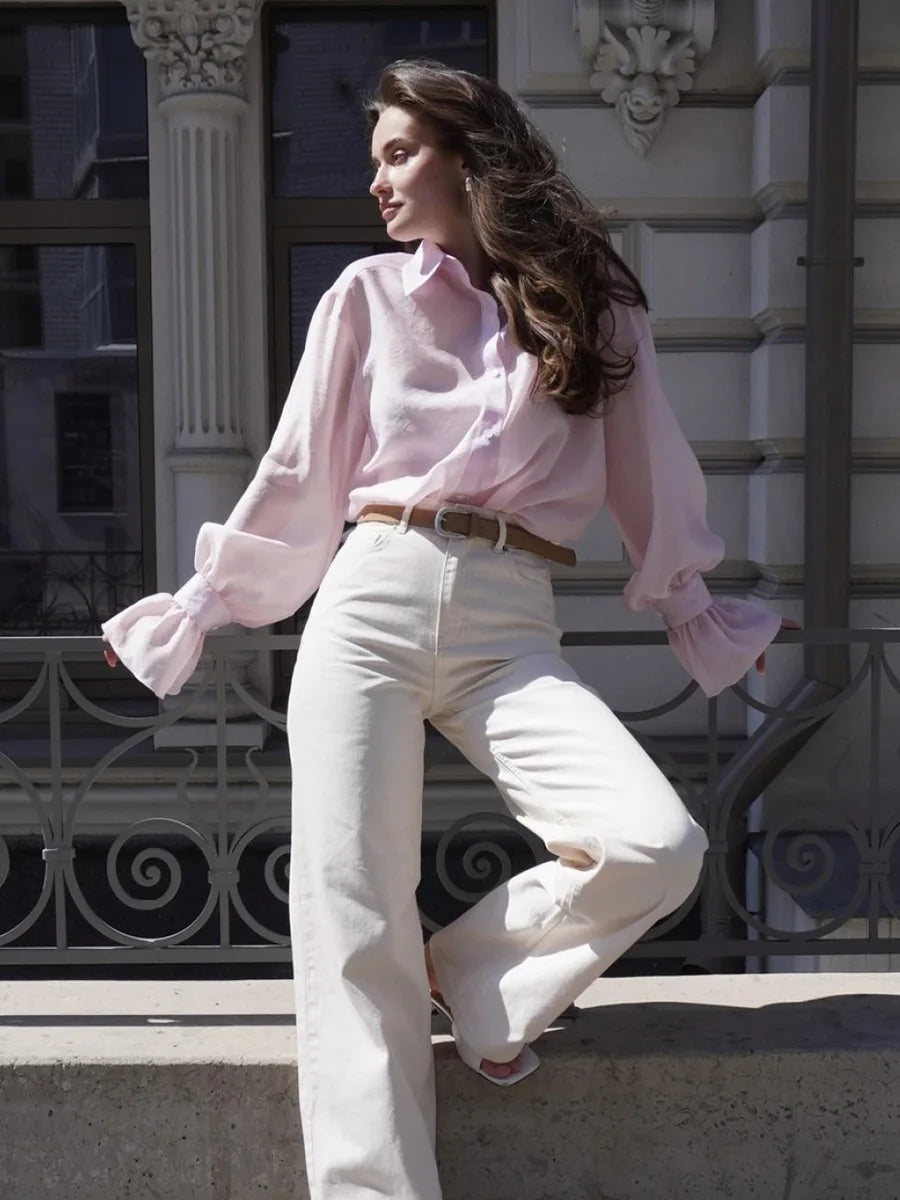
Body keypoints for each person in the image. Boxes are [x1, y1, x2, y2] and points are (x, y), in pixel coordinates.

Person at [101, 58, 783, 1200]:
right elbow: (300, 475)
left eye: (400, 153)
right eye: (374, 158)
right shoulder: (365, 298)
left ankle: (474, 981)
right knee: (349, 912)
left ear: (473, 158)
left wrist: (691, 607)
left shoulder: (594, 301)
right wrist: (206, 603)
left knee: (656, 843)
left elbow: (651, 476)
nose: (377, 181)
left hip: (512, 620)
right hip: (367, 597)